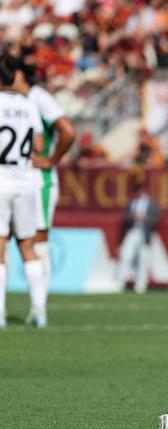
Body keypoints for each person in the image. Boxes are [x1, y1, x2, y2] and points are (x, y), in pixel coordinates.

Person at [13, 60, 77, 291]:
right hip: (13, 176)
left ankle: (39, 306)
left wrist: (52, 160)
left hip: (37, 178)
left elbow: (68, 130)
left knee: (38, 240)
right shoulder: (12, 100)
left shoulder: (37, 97)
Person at [0, 55, 47, 328]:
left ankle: (1, 312)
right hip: (24, 181)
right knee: (28, 247)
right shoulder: (28, 106)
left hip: (0, 181)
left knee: (0, 247)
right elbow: (38, 146)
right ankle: (39, 311)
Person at [117, 178, 159, 294]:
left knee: (143, 259)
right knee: (126, 255)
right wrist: (134, 217)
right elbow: (126, 217)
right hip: (133, 231)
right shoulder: (132, 202)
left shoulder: (151, 203)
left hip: (144, 233)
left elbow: (155, 220)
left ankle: (140, 284)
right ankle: (120, 281)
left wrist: (144, 218)